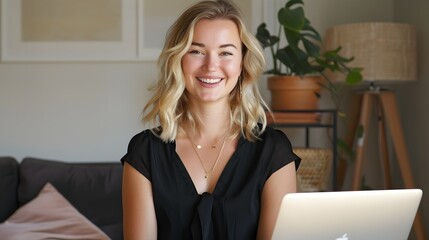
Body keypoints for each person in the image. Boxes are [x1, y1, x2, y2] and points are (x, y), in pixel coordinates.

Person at [121, 0, 301, 239]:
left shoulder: (273, 151)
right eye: (196, 51)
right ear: (179, 60)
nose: (211, 65)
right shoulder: (144, 152)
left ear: (242, 63)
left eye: (225, 52)